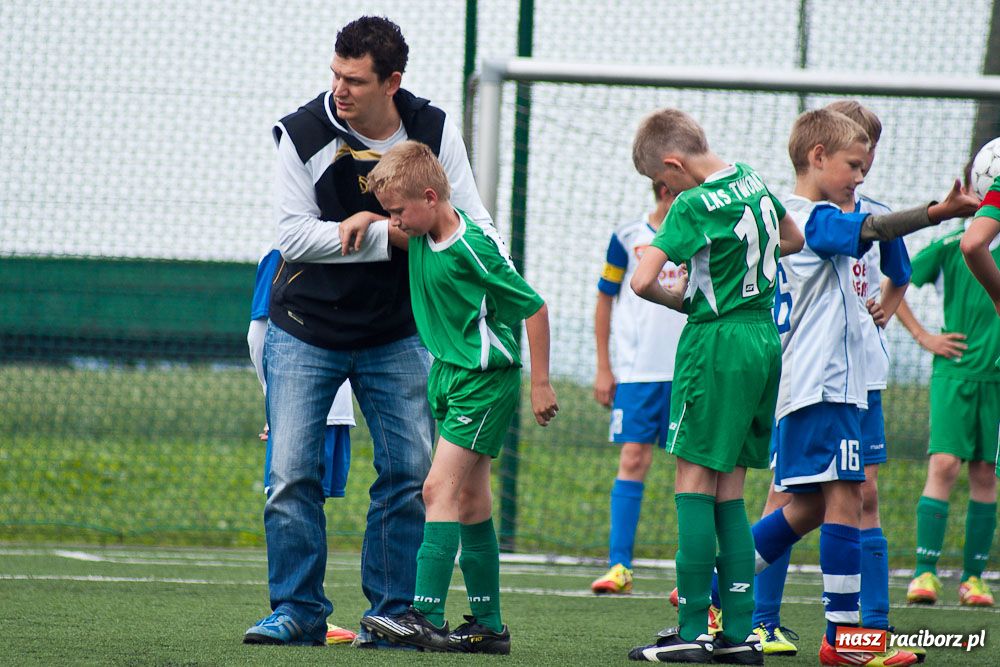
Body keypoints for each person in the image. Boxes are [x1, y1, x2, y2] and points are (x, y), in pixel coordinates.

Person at [243, 16, 502, 647]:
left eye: (354, 80)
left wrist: (470, 262)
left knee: (408, 473)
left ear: (392, 82)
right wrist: (387, 233)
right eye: (335, 74)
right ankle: (297, 611)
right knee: (291, 476)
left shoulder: (433, 129)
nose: (339, 89)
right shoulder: (302, 132)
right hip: (304, 327)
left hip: (401, 331)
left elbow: (475, 222)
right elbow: (292, 237)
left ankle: (392, 614)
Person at [748, 108, 976, 667]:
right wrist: (938, 212)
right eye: (854, 163)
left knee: (811, 508)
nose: (862, 174)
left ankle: (714, 584)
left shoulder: (818, 214)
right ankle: (846, 642)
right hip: (817, 386)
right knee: (842, 500)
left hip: (839, 387)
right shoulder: (807, 218)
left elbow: (888, 262)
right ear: (817, 157)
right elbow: (869, 231)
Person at [358, 140, 558, 654]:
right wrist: (367, 218)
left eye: (398, 212)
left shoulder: (474, 249)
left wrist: (540, 383)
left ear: (430, 197)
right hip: (449, 375)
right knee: (469, 500)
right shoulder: (421, 231)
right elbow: (395, 229)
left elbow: (534, 307)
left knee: (435, 490)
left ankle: (424, 616)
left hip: (483, 380)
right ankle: (489, 626)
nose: (395, 222)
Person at [626, 107, 804, 665]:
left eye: (662, 181)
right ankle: (739, 633)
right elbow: (794, 238)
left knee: (694, 482)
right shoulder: (751, 178)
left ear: (674, 164)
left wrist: (686, 298)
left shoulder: (692, 204)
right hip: (763, 339)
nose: (665, 192)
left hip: (716, 343)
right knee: (731, 489)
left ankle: (691, 629)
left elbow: (641, 281)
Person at [895, 168, 999, 609]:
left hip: (995, 379)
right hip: (953, 374)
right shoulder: (951, 244)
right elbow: (895, 280)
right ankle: (924, 572)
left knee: (986, 474)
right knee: (944, 465)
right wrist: (924, 337)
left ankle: (974, 578)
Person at [246, 248, 357, 646]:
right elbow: (260, 335)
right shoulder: (281, 255)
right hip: (315, 406)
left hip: (331, 410)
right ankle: (300, 610)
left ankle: (307, 611)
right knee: (293, 496)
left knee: (303, 499)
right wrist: (275, 403)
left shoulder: (345, 251)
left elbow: (257, 336)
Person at [590, 181, 687, 595]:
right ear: (665, 190)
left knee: (692, 468)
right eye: (685, 190)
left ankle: (691, 572)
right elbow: (605, 298)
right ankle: (619, 567)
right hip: (637, 373)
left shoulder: (699, 234)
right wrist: (603, 367)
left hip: (689, 370)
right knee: (632, 458)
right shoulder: (626, 236)